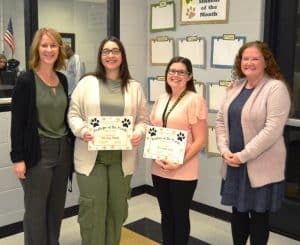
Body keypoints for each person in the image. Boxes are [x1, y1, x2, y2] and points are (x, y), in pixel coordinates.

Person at [68, 36, 147, 245]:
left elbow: (142, 120)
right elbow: (73, 114)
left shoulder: (134, 87)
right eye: (106, 51)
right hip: (91, 159)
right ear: (100, 56)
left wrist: (139, 133)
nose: (110, 55)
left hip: (122, 161)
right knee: (93, 211)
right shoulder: (87, 83)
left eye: (115, 51)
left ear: (122, 56)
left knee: (117, 210)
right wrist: (82, 130)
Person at [215, 41, 291, 245]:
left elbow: (272, 130)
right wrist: (224, 151)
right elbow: (221, 121)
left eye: (255, 58)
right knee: (237, 213)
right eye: (245, 58)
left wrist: (243, 155)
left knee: (259, 216)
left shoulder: (275, 88)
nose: (249, 62)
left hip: (260, 166)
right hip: (233, 164)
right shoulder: (235, 87)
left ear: (266, 62)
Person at [10, 28, 73, 245]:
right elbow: (17, 123)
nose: (49, 50)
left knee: (56, 209)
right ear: (37, 48)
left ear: (59, 49)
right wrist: (18, 158)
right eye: (44, 45)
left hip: (63, 151)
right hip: (38, 152)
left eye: (53, 45)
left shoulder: (63, 80)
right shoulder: (26, 80)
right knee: (36, 211)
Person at [150, 56, 208, 245]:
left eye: (181, 72)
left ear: (189, 76)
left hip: (184, 169)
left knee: (180, 215)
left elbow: (200, 140)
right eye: (172, 71)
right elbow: (156, 132)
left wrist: (179, 161)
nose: (175, 75)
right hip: (159, 167)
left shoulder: (195, 100)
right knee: (166, 214)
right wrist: (156, 156)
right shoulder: (161, 99)